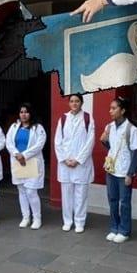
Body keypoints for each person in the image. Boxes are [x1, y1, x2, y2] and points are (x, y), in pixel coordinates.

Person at [101, 97, 137, 243]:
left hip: (124, 171)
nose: (110, 111)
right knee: (112, 200)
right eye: (110, 108)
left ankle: (124, 230)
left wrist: (130, 173)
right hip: (111, 169)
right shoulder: (109, 126)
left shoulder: (131, 129)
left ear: (123, 110)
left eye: (114, 108)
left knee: (124, 202)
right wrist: (103, 140)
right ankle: (114, 227)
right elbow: (112, 148)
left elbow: (136, 152)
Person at [54, 94, 95, 233]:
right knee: (66, 195)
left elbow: (90, 141)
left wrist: (78, 159)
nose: (74, 103)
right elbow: (58, 141)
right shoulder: (63, 118)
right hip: (65, 163)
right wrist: (65, 159)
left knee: (81, 195)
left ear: (81, 103)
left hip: (81, 164)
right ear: (68, 103)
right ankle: (67, 221)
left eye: (77, 101)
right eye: (72, 101)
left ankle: (79, 221)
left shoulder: (88, 118)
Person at [5, 103, 47, 229]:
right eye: (21, 112)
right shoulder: (14, 127)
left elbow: (39, 145)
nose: (23, 114)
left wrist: (24, 155)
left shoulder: (38, 128)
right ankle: (26, 217)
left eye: (26, 112)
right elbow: (9, 142)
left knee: (31, 191)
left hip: (31, 161)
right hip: (18, 161)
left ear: (31, 113)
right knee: (22, 191)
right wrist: (16, 154)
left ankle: (37, 218)